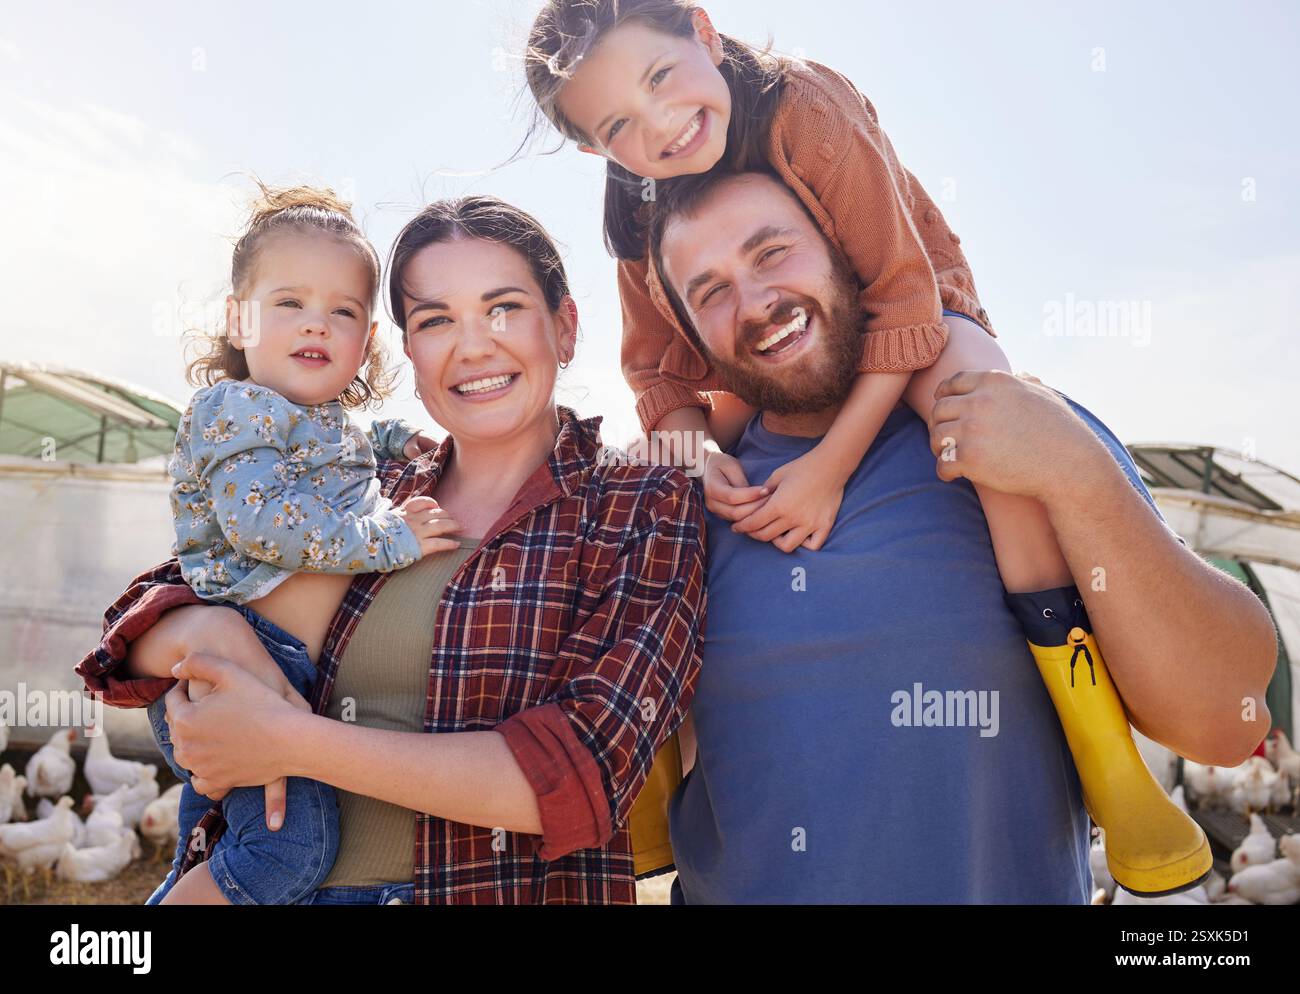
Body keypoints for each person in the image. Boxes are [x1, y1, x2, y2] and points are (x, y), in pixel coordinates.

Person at [522, 0, 1228, 893]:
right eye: (619, 124)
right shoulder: (639, 205)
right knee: (639, 487)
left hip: (920, 308)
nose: (659, 125)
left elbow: (901, 299)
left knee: (987, 421)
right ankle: (649, 776)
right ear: (594, 150)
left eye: (661, 78)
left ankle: (1103, 750)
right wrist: (696, 459)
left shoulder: (805, 107)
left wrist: (828, 468)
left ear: (703, 30)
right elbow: (658, 374)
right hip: (767, 355)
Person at [646, 169, 1278, 902]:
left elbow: (1227, 723)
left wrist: (1082, 475)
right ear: (689, 333)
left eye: (772, 253)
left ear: (848, 250)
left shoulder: (1016, 437)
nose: (755, 304)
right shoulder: (687, 498)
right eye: (711, 291)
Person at [76, 195, 706, 905]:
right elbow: (141, 620)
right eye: (436, 320)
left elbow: (579, 775)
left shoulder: (640, 503)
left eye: (503, 308)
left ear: (564, 328)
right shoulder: (366, 487)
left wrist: (283, 738)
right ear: (407, 349)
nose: (473, 346)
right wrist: (208, 635)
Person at [150, 182, 456, 905]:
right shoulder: (234, 409)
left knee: (214, 843)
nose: (316, 324)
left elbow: (349, 447)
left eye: (342, 311)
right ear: (237, 319)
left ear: (366, 341)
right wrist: (391, 539)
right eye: (289, 303)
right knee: (292, 853)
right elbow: (271, 524)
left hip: (271, 668)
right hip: (241, 665)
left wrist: (397, 440)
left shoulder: (323, 423)